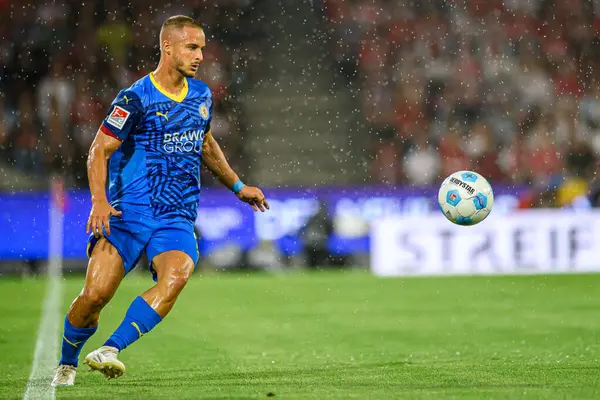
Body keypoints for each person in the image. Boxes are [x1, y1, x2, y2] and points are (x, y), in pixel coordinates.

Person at [51, 15, 269, 386]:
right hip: (127, 213)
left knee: (178, 274)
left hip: (175, 214)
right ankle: (66, 363)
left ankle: (110, 349)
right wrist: (99, 201)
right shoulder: (135, 98)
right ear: (167, 47)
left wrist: (237, 185)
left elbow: (204, 142)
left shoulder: (201, 95)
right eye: (191, 47)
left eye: (201, 47)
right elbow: (98, 150)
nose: (200, 55)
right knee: (95, 296)